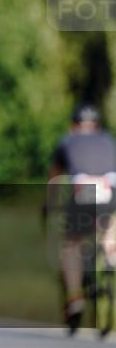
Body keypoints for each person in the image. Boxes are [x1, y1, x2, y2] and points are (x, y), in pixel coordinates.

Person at [49, 102, 116, 333]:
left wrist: (49, 204)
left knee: (72, 243)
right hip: (110, 189)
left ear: (73, 124)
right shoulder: (107, 139)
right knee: (109, 226)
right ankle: (110, 254)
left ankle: (75, 297)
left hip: (85, 189)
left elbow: (55, 178)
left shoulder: (67, 140)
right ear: (97, 124)